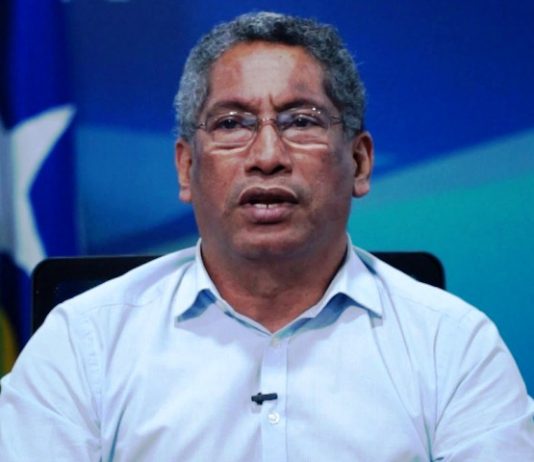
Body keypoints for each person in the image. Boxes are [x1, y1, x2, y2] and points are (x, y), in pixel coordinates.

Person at [0, 11, 533, 461]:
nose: (268, 156)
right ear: (186, 168)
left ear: (359, 161)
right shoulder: (84, 342)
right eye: (232, 124)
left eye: (301, 121)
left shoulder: (452, 344)